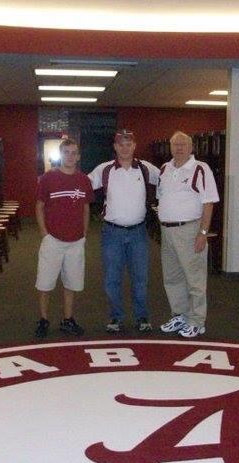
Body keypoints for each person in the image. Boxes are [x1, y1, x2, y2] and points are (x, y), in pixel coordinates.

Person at [89, 129, 160, 333]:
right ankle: (116, 317)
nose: (125, 148)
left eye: (129, 144)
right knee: (112, 278)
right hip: (112, 233)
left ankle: (142, 317)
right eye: (121, 144)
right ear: (115, 147)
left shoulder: (146, 169)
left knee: (140, 278)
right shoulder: (104, 170)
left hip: (138, 233)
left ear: (134, 146)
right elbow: (82, 185)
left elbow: (168, 181)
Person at [157, 131, 219, 338]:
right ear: (170, 147)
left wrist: (203, 232)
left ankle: (197, 320)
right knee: (172, 278)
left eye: (183, 144)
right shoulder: (165, 168)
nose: (179, 148)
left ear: (192, 147)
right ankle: (180, 315)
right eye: (175, 144)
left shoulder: (201, 169)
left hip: (190, 231)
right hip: (167, 231)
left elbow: (208, 202)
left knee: (194, 278)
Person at [34, 138, 94, 338]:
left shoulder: (84, 180)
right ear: (61, 155)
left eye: (73, 152)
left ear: (78, 156)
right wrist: (44, 233)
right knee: (45, 283)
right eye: (66, 152)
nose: (70, 156)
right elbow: (39, 206)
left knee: (72, 283)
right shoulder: (48, 178)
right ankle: (43, 320)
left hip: (76, 241)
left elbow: (86, 208)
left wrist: (84, 233)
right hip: (53, 240)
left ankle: (68, 320)